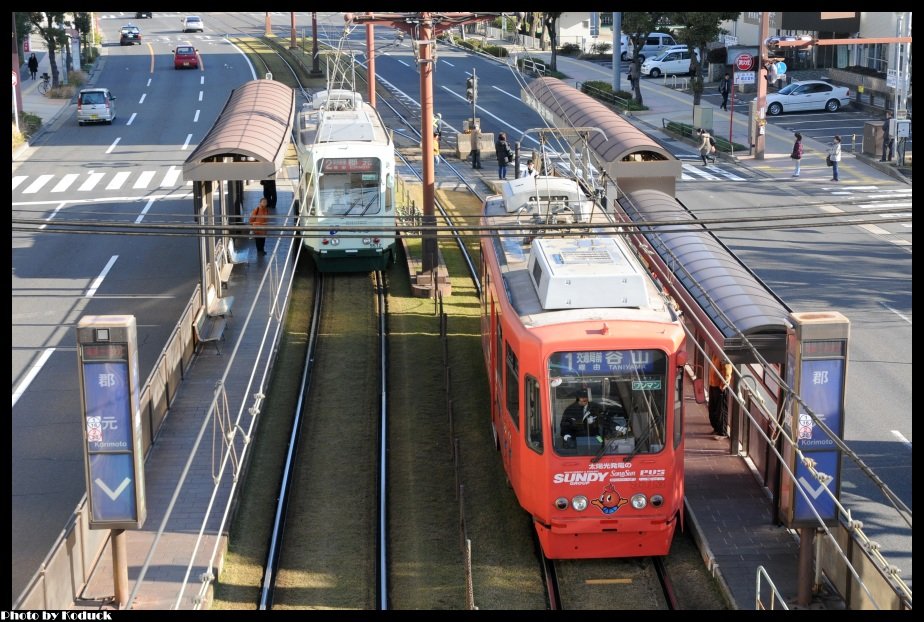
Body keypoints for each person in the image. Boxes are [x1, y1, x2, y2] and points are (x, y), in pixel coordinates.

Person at [708, 353, 733, 438]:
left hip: (720, 386)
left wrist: (723, 385)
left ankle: (722, 432)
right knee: (713, 409)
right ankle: (716, 428)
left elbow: (727, 370)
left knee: (721, 410)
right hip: (713, 384)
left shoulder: (723, 355)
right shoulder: (715, 354)